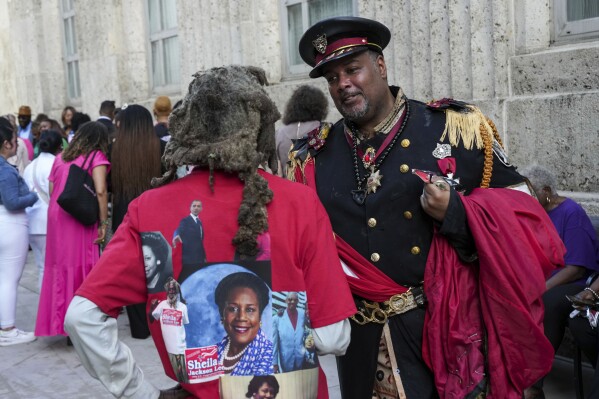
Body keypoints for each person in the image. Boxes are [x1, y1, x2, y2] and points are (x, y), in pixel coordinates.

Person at [292, 16, 566, 398]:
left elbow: (527, 215)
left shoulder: (454, 128)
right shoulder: (313, 157)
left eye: (352, 69)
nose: (343, 85)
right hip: (358, 343)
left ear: (381, 65)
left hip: (442, 332)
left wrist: (457, 213)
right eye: (332, 78)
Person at [64, 65, 356, 399]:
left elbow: (82, 318)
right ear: (260, 127)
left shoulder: (149, 210)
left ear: (187, 128)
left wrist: (141, 393)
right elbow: (334, 337)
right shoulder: (299, 203)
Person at [520, 164, 599, 399]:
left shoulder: (571, 213)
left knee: (548, 303)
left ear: (545, 191)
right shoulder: (536, 212)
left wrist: (539, 289)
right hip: (544, 280)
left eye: (531, 192)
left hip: (578, 282)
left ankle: (534, 385)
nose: (527, 198)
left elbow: (576, 268)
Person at [35, 121, 110, 338]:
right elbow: (101, 191)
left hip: (58, 216)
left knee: (61, 267)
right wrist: (104, 224)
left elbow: (52, 189)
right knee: (83, 265)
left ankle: (61, 323)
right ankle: (82, 324)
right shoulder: (96, 157)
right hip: (80, 217)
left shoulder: (60, 158)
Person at [0, 116, 38, 346]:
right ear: (6, 143)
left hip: (7, 224)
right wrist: (32, 196)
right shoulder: (4, 169)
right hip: (10, 224)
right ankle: (7, 328)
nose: (17, 143)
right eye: (14, 140)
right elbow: (12, 201)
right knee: (9, 280)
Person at [23, 130, 63, 290]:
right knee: (52, 270)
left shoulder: (30, 166)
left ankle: (44, 308)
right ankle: (49, 309)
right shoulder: (57, 164)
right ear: (59, 146)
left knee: (42, 268)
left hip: (31, 222)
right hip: (49, 222)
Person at [214, 272, 273, 376]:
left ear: (260, 316)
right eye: (233, 309)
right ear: (222, 314)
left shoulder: (270, 357)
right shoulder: (211, 354)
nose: (241, 317)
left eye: (250, 309)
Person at [275, 85, 328, 177]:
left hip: (289, 187)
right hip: (317, 187)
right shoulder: (323, 129)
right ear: (320, 107)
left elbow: (277, 170)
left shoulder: (279, 133)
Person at [150, 278, 189, 383]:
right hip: (169, 346)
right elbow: (152, 318)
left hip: (181, 347)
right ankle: (182, 386)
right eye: (169, 289)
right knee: (176, 373)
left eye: (174, 289)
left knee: (184, 374)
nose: (171, 292)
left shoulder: (183, 307)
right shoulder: (162, 305)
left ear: (177, 291)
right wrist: (152, 307)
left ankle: (187, 389)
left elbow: (185, 323)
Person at [272, 292, 306, 373]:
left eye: (295, 300)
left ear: (298, 301)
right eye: (290, 299)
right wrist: (274, 363)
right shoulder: (277, 319)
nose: (292, 302)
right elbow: (274, 343)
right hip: (285, 361)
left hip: (300, 359)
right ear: (286, 301)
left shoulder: (303, 315)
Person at [172, 199, 206, 268]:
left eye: (198, 206)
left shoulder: (200, 222)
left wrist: (204, 257)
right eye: (194, 206)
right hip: (189, 259)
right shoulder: (185, 220)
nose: (196, 208)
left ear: (201, 209)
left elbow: (200, 242)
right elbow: (179, 229)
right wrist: (176, 235)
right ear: (190, 208)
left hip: (200, 258)